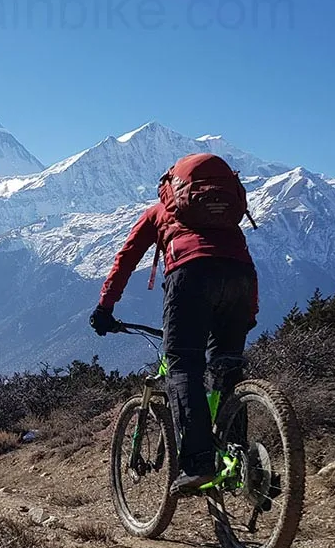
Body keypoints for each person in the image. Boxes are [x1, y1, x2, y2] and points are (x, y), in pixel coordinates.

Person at [90, 153, 258, 494]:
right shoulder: (227, 221)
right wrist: (248, 315)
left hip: (191, 279)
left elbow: (125, 260)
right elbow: (240, 264)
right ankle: (237, 458)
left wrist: (105, 307)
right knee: (228, 368)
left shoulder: (158, 214)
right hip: (241, 280)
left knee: (183, 365)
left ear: (170, 188)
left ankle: (198, 464)